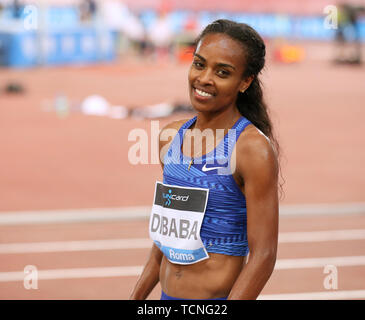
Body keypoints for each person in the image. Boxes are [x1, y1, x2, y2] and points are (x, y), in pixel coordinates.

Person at [130, 19, 280, 300]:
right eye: (199, 64)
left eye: (222, 72)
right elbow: (166, 238)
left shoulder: (251, 150)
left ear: (245, 82)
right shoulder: (170, 138)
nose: (204, 78)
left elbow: (264, 255)